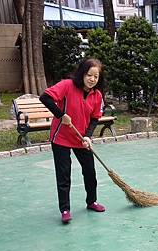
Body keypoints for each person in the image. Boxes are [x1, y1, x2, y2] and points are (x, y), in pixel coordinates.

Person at [40, 58, 107, 224]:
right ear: (82, 74)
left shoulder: (97, 95)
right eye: (89, 75)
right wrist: (60, 115)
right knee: (64, 175)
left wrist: (88, 136)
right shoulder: (67, 85)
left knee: (90, 171)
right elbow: (45, 97)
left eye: (96, 77)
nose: (92, 79)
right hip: (61, 137)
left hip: (80, 137)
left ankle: (91, 201)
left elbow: (94, 118)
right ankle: (65, 209)